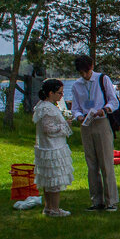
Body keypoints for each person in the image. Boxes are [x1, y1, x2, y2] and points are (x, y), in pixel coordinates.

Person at [70, 54, 120, 212]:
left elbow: (114, 101)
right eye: (81, 73)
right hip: (86, 124)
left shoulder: (102, 79)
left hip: (101, 122)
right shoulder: (77, 85)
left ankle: (111, 201)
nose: (85, 75)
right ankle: (96, 201)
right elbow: (75, 107)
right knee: (91, 164)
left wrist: (104, 109)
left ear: (91, 67)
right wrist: (79, 116)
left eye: (86, 72)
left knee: (106, 162)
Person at [33, 79, 74, 217]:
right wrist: (64, 125)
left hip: (49, 147)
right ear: (51, 93)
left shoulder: (44, 106)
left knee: (48, 180)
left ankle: (49, 207)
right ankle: (54, 208)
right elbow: (48, 128)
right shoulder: (46, 108)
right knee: (54, 179)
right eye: (59, 93)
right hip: (52, 148)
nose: (62, 95)